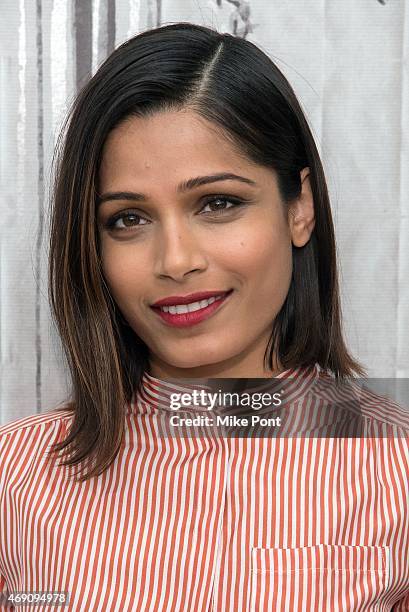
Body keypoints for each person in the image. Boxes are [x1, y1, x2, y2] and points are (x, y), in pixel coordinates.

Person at [0, 22, 408, 611]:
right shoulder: (18, 480)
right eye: (128, 219)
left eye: (218, 203)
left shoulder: (393, 471)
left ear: (300, 208)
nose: (176, 260)